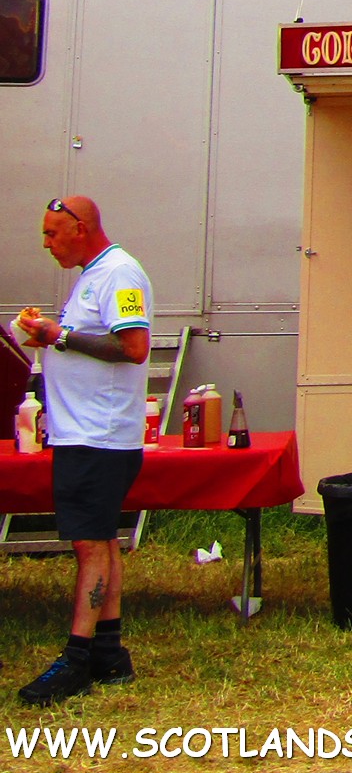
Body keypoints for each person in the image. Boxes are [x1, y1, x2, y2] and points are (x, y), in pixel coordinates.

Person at [7, 197, 152, 704]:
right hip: (83, 433)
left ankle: (76, 657)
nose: (46, 243)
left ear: (80, 228)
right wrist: (50, 334)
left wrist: (59, 335)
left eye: (52, 233)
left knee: (89, 545)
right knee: (103, 539)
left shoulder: (120, 274)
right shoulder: (93, 275)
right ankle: (110, 655)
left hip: (99, 435)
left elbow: (134, 348)